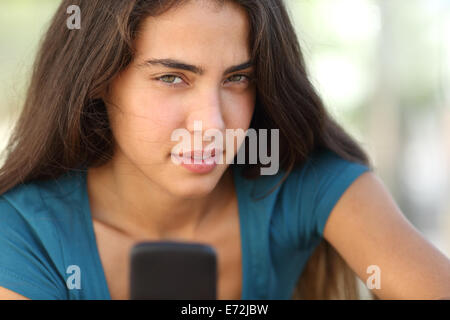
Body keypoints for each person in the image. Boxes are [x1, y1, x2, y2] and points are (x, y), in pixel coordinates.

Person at [0, 0, 449, 300]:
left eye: (237, 79)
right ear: (97, 81)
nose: (213, 125)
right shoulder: (22, 231)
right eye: (172, 78)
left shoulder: (304, 180)